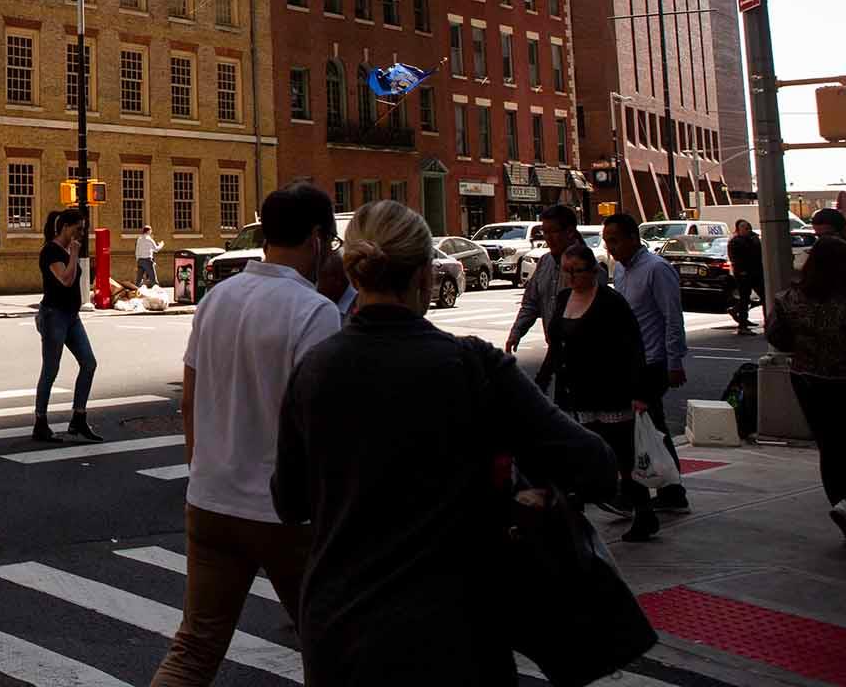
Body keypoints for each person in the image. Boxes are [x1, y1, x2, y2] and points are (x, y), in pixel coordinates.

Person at [273, 201, 615, 686]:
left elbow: (288, 501)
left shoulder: (313, 370)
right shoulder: (474, 366)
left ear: (354, 273)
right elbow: (596, 466)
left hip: (340, 630)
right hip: (454, 632)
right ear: (425, 278)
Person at [152, 186, 341, 687]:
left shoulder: (218, 298)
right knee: (330, 646)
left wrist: (201, 472)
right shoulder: (315, 311)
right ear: (318, 239)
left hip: (211, 500)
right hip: (285, 511)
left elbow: (189, 397)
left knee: (193, 650)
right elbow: (321, 422)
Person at [765, 237, 846, 551]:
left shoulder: (790, 299)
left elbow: (778, 338)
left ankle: (845, 509)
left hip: (810, 381)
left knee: (831, 447)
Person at [536, 243, 657, 541]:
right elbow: (556, 346)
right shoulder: (565, 299)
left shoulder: (610, 303)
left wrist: (640, 393)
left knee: (622, 455)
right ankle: (575, 515)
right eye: (567, 272)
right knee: (581, 454)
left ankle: (642, 511)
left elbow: (632, 349)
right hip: (575, 392)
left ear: (593, 271)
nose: (571, 278)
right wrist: (541, 381)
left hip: (610, 391)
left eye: (576, 271)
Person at [604, 211, 689, 513]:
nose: (610, 247)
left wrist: (674, 361)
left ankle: (647, 491)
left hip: (654, 361)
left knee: (646, 424)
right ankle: (670, 489)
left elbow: (672, 318)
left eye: (614, 240)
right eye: (606, 241)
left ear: (632, 238)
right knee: (649, 426)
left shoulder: (657, 269)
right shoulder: (621, 271)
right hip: (630, 361)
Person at [31, 207, 100, 443]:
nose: (80, 233)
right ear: (65, 227)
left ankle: (78, 418)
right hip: (54, 316)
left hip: (71, 316)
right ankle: (40, 422)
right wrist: (73, 254)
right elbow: (66, 279)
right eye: (78, 229)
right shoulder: (50, 251)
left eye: (83, 229)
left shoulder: (66, 249)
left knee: (89, 363)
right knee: (51, 369)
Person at [507, 204, 602, 354]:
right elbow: (531, 303)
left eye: (553, 231)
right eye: (545, 232)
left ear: (570, 232)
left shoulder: (588, 267)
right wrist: (517, 332)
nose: (548, 237)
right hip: (557, 350)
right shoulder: (544, 262)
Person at [727, 219, 765, 333]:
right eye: (744, 227)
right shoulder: (735, 242)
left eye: (748, 227)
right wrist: (741, 271)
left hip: (756, 272)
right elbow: (735, 259)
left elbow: (759, 254)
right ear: (738, 230)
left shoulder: (754, 239)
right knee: (745, 298)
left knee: (763, 297)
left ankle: (738, 313)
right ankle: (742, 325)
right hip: (743, 274)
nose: (747, 229)